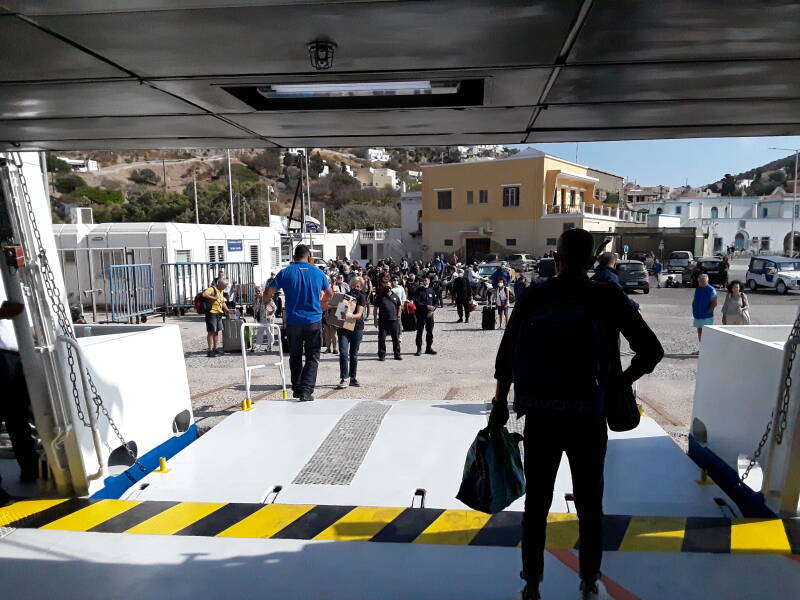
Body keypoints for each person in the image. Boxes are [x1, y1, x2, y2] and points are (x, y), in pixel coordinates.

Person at [489, 228, 663, 600]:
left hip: (541, 416)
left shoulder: (536, 294)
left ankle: (531, 581)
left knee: (536, 503)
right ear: (591, 262)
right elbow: (651, 350)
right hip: (589, 415)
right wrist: (616, 384)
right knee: (589, 502)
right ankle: (589, 578)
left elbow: (506, 357)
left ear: (558, 257)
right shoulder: (606, 295)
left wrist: (500, 404)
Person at [265, 245, 333, 402]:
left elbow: (270, 291)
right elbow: (329, 294)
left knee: (295, 355)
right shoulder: (318, 272)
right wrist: (321, 303)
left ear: (294, 256)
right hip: (313, 320)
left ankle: (296, 388)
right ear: (308, 256)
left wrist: (266, 302)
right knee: (312, 356)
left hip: (294, 321)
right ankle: (306, 391)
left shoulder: (286, 272)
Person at [0, 297, 39, 506]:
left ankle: (31, 470)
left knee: (18, 419)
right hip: (3, 357)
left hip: (16, 358)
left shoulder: (11, 279)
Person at [336, 277, 366, 389]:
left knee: (354, 354)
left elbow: (359, 314)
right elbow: (339, 313)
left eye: (358, 286)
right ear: (350, 285)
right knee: (343, 353)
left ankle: (353, 377)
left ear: (361, 287)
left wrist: (350, 315)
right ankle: (344, 377)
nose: (355, 288)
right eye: (353, 285)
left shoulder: (361, 297)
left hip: (357, 328)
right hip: (343, 328)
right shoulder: (345, 296)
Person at [374, 276, 403, 361]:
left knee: (395, 339)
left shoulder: (395, 296)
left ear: (391, 286)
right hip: (383, 321)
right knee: (382, 339)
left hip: (394, 321)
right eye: (386, 286)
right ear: (383, 286)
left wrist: (398, 316)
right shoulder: (380, 297)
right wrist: (375, 320)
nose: (388, 287)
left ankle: (397, 354)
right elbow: (375, 309)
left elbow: (399, 306)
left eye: (389, 286)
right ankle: (382, 355)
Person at [202, 277, 229, 357]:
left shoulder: (221, 291)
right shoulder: (212, 289)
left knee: (216, 331)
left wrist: (226, 309)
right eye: (225, 286)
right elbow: (204, 294)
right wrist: (214, 298)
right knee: (211, 332)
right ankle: (210, 350)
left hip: (218, 313)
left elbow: (222, 301)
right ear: (220, 284)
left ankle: (215, 348)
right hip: (211, 313)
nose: (226, 287)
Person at [413, 276, 438, 356]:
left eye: (426, 280)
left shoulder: (431, 290)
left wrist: (432, 310)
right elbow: (416, 302)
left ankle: (428, 348)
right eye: (424, 280)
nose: (425, 282)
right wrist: (426, 306)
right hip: (421, 314)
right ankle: (419, 349)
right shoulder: (419, 290)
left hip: (430, 314)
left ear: (429, 281)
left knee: (430, 331)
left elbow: (435, 302)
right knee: (420, 331)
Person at [692, 273, 717, 344]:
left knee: (706, 333)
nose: (701, 282)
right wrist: (694, 309)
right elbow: (695, 300)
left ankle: (707, 349)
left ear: (707, 281)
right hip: (697, 315)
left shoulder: (711, 290)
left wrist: (708, 312)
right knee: (699, 332)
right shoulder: (698, 289)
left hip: (707, 316)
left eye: (703, 281)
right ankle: (701, 348)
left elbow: (714, 303)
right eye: (700, 281)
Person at [251, 285, 276, 352]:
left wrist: (270, 315)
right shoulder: (257, 299)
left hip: (268, 318)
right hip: (262, 318)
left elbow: (274, 308)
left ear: (262, 291)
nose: (257, 293)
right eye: (256, 291)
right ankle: (257, 346)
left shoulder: (267, 298)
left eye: (259, 291)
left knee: (269, 332)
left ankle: (269, 346)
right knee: (260, 332)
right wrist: (255, 313)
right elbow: (255, 309)